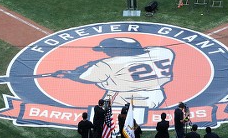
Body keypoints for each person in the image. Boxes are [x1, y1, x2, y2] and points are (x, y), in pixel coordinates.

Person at [35, 37, 174, 108]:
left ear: (120, 50)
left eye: (108, 50)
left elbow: (82, 77)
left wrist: (67, 73)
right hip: (157, 94)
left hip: (124, 98)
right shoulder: (164, 52)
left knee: (114, 122)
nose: (106, 52)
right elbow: (141, 51)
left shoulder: (107, 65)